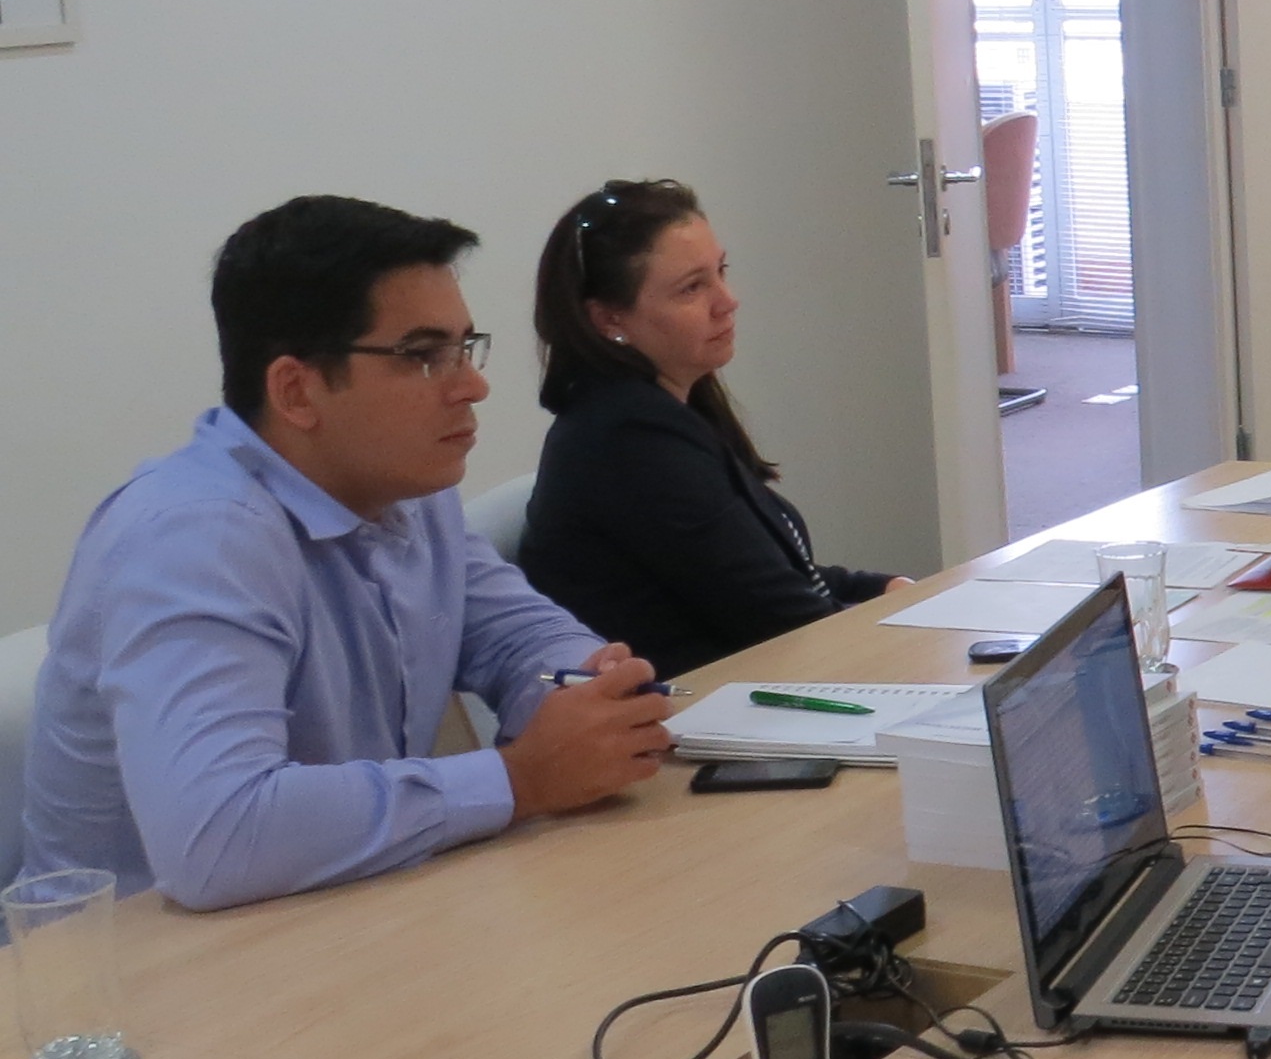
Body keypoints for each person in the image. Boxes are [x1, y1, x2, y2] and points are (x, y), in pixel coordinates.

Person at [16, 198, 676, 911]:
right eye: (424, 356)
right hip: (141, 958)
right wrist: (520, 779)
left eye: (465, 347)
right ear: (296, 390)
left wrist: (589, 695)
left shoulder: (407, 490)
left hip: (336, 908)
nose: (473, 385)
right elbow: (217, 836)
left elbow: (521, 639)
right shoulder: (194, 537)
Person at [517, 179, 906, 678]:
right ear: (610, 319)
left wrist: (879, 589)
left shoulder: (668, 408)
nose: (727, 301)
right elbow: (781, 623)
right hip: (691, 711)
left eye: (720, 272)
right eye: (692, 288)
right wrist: (895, 622)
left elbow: (772, 572)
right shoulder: (628, 439)